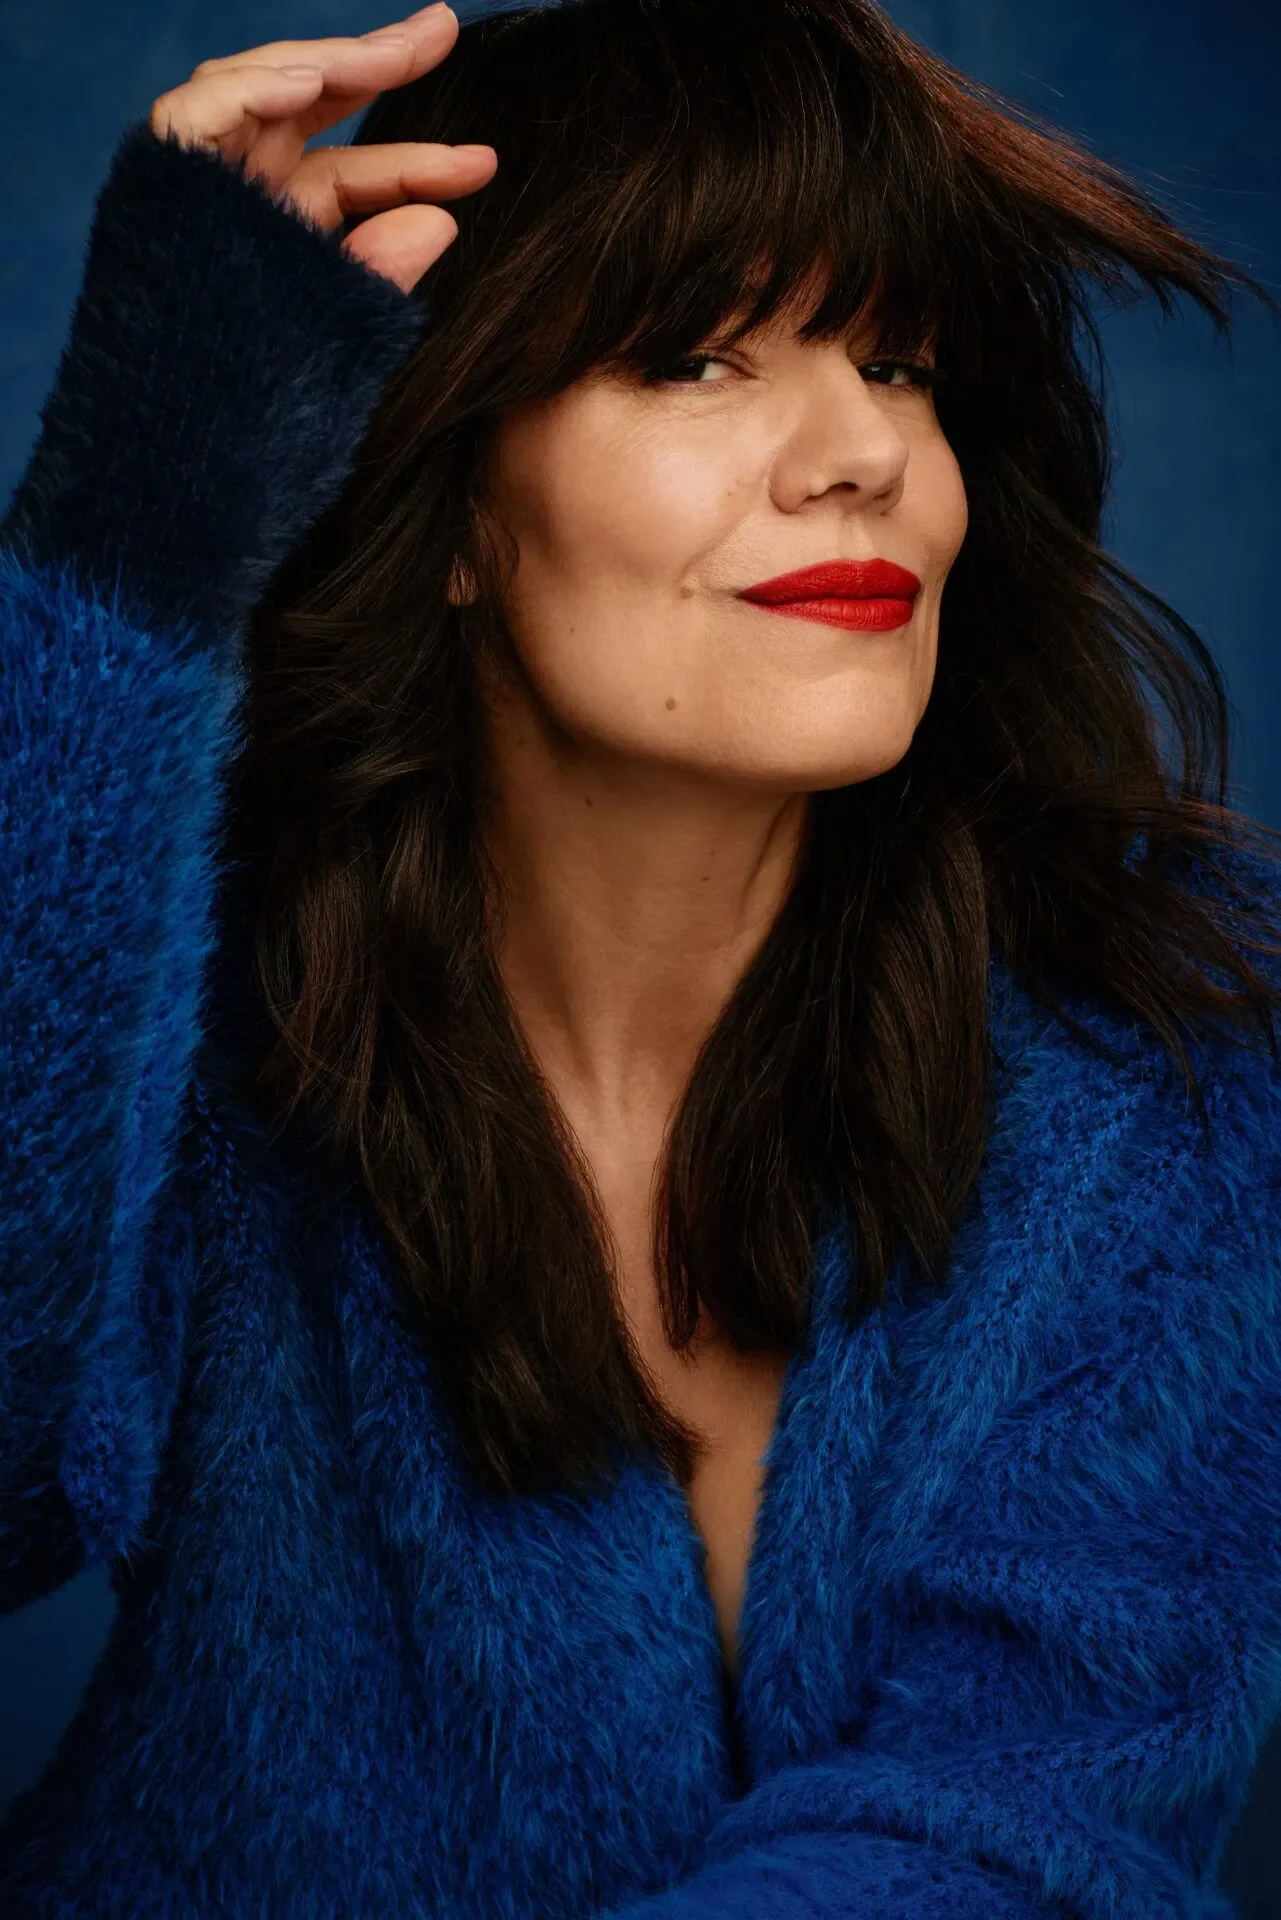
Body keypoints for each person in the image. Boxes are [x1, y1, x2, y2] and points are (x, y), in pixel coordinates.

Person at [2, 0, 1279, 1911]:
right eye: (695, 358)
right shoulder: (192, 1015)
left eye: (903, 363)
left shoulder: (1171, 1057)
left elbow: (1028, 1830)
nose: (863, 451)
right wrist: (137, 507)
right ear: (448, 505)